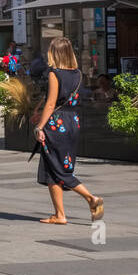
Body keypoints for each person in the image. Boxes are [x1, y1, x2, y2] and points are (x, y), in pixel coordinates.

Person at [33, 37, 104, 225]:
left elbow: (51, 102)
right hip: (73, 121)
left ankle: (91, 198)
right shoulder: (78, 74)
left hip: (57, 123)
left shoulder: (54, 73)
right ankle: (59, 214)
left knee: (59, 169)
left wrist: (40, 125)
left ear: (54, 53)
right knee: (52, 168)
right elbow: (58, 99)